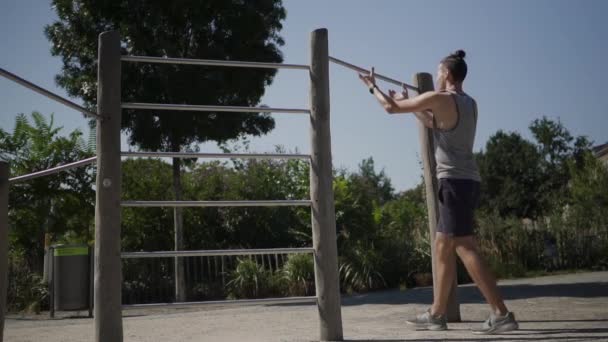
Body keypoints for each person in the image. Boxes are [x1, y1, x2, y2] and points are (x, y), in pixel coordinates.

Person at [358, 50, 519, 334]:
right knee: (442, 246)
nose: (435, 75)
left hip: (454, 182)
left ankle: (501, 314)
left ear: (446, 73)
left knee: (464, 245)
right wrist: (413, 104)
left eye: (438, 71)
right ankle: (437, 313)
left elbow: (390, 108)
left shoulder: (440, 98)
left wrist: (372, 87)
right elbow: (435, 123)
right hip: (468, 181)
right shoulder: (469, 103)